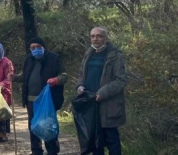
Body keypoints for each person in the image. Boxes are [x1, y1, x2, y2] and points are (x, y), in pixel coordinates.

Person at [77, 27, 127, 155]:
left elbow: (120, 80)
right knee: (95, 142)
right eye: (93, 36)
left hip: (108, 105)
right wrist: (80, 86)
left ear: (105, 38)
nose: (95, 39)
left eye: (99, 36)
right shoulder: (89, 53)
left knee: (112, 140)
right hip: (90, 104)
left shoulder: (115, 55)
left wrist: (102, 93)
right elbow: (82, 74)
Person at [21, 37, 68, 155]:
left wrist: (56, 80)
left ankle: (52, 151)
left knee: (48, 126)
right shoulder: (29, 59)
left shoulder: (54, 58)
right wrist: (14, 78)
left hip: (47, 101)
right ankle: (36, 150)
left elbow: (64, 75)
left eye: (38, 47)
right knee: (34, 126)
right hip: (31, 101)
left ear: (43, 47)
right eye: (32, 48)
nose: (35, 49)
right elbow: (24, 76)